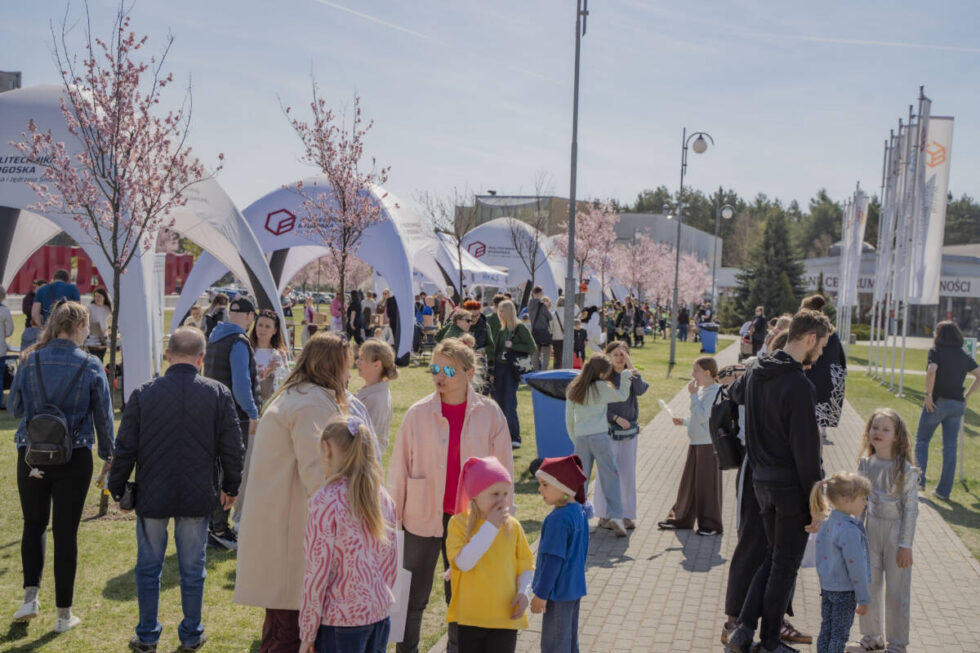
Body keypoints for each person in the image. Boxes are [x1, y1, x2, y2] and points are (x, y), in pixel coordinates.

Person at [235, 332, 374, 652]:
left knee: (281, 628)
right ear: (332, 365)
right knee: (289, 633)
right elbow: (322, 475)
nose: (349, 373)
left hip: (285, 530)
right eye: (346, 365)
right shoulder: (310, 403)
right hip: (292, 537)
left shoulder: (301, 395)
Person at [108, 327, 243, 653]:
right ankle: (191, 633)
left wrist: (117, 489)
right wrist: (231, 486)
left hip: (154, 489)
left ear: (168, 355)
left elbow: (124, 447)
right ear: (202, 358)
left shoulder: (144, 392)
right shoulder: (217, 393)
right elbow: (233, 448)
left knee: (149, 567)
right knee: (192, 569)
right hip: (197, 493)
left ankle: (147, 636)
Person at [387, 338, 513, 653]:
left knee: (460, 594)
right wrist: (394, 519)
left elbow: (503, 470)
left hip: (470, 520)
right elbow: (399, 468)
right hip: (420, 516)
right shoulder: (417, 414)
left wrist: (501, 517)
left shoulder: (490, 414)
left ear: (469, 373)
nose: (439, 376)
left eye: (448, 369)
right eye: (435, 368)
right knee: (413, 594)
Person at [725, 309, 831, 653]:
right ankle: (769, 642)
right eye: (823, 345)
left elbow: (736, 394)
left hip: (760, 482)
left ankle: (743, 630)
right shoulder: (799, 384)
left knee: (772, 559)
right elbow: (806, 450)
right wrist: (817, 500)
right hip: (788, 489)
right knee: (783, 567)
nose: (822, 353)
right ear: (810, 339)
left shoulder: (757, 369)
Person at [8, 301, 114, 632]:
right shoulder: (92, 364)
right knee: (65, 534)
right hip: (75, 454)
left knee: (33, 525)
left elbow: (14, 408)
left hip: (32, 453)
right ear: (80, 328)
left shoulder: (28, 360)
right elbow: (104, 418)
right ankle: (63, 615)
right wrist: (109, 455)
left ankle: (30, 597)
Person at [299, 415, 398, 653]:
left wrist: (307, 633)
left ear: (327, 448)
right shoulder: (381, 496)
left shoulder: (324, 501)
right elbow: (391, 562)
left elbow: (316, 573)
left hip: (340, 621)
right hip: (379, 612)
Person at [446, 456, 533, 653]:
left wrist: (524, 592)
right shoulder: (458, 524)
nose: (502, 500)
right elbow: (464, 562)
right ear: (475, 495)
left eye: (505, 493)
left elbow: (525, 565)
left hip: (505, 617)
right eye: (495, 494)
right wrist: (490, 527)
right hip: (471, 617)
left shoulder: (513, 527)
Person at [857, 408, 918, 653]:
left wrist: (906, 545)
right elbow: (859, 501)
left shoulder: (905, 470)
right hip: (870, 531)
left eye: (885, 429)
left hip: (896, 534)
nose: (878, 432)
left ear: (897, 436)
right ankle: (872, 636)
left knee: (897, 589)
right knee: (869, 584)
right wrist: (855, 534)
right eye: (874, 427)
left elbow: (911, 510)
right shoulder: (865, 464)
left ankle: (897, 642)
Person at [203, 297, 260, 550]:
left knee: (215, 471)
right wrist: (253, 412)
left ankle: (210, 527)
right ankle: (219, 529)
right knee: (229, 472)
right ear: (250, 317)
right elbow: (241, 385)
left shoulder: (215, 335)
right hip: (235, 415)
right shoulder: (238, 341)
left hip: (213, 411)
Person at [565, 354, 633, 537]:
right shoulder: (602, 387)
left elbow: (569, 419)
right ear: (603, 373)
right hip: (600, 437)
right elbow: (622, 395)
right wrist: (626, 376)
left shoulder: (574, 387)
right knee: (610, 476)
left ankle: (578, 521)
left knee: (581, 480)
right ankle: (617, 516)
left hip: (581, 438)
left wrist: (575, 439)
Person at [530, 454, 589, 653]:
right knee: (569, 641)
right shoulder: (579, 512)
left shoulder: (558, 520)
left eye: (545, 484)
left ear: (563, 487)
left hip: (558, 592)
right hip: (574, 589)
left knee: (554, 644)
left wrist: (541, 593)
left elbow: (553, 560)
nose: (540, 490)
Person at [914, 320, 980, 500]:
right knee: (950, 448)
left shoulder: (936, 352)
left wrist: (928, 394)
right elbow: (979, 375)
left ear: (938, 335)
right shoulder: (963, 354)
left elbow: (932, 370)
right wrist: (966, 397)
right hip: (957, 405)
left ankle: (918, 482)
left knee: (922, 441)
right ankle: (943, 491)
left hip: (937, 402)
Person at [658, 356, 724, 535]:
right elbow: (698, 416)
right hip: (696, 442)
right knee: (689, 483)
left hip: (708, 445)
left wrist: (693, 395)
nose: (692, 374)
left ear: (707, 372)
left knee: (707, 485)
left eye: (696, 370)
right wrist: (685, 421)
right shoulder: (704, 390)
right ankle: (681, 519)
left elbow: (704, 416)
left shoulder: (715, 391)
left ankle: (711, 524)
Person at [810, 472, 872, 653]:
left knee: (827, 630)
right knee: (840, 635)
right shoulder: (849, 531)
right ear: (846, 499)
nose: (865, 503)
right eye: (862, 498)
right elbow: (856, 567)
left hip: (828, 588)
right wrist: (863, 597)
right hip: (845, 592)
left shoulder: (827, 524)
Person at [594, 341, 648, 530]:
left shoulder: (630, 376)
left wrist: (631, 367)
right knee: (607, 473)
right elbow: (597, 406)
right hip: (608, 431)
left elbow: (640, 390)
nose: (619, 359)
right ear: (608, 356)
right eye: (615, 355)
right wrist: (615, 418)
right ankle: (605, 515)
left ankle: (625, 514)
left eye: (623, 355)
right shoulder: (602, 378)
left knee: (627, 473)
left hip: (629, 432)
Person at [488, 300, 535, 448]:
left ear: (509, 311)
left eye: (502, 310)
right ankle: (500, 436)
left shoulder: (519, 327)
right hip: (499, 369)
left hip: (510, 370)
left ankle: (515, 437)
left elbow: (531, 347)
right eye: (499, 310)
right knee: (497, 404)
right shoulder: (502, 329)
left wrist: (513, 345)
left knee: (509, 403)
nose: (499, 313)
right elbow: (495, 351)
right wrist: (491, 371)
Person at [800, 296, 847, 443]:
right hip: (829, 375)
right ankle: (822, 430)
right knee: (821, 404)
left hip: (812, 372)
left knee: (809, 403)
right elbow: (840, 354)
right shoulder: (829, 328)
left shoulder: (806, 329)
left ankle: (814, 431)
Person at [355, 339, 397, 454]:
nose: (357, 362)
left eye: (362, 359)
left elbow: (367, 441)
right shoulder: (371, 392)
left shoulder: (375, 399)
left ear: (377, 365)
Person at [250, 309, 288, 406]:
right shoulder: (248, 350)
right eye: (260, 325)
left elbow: (284, 384)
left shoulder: (278, 354)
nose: (262, 329)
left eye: (267, 326)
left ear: (274, 330)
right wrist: (265, 375)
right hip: (251, 405)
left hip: (272, 406)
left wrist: (284, 365)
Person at [528, 286, 553, 371]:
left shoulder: (530, 304)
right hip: (543, 332)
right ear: (540, 293)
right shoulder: (542, 305)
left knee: (535, 355)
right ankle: (543, 372)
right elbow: (550, 317)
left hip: (534, 332)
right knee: (546, 354)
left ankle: (535, 372)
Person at [84, 288, 111, 362]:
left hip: (103, 338)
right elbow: (86, 322)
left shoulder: (107, 308)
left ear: (104, 297)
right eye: (95, 296)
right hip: (92, 338)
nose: (97, 298)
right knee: (93, 359)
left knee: (101, 359)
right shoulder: (90, 307)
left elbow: (107, 322)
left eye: (99, 296)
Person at [551, 297, 566, 368]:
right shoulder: (568, 313)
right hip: (566, 338)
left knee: (557, 356)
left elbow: (550, 326)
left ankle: (557, 369)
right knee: (565, 356)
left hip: (555, 337)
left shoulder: (553, 314)